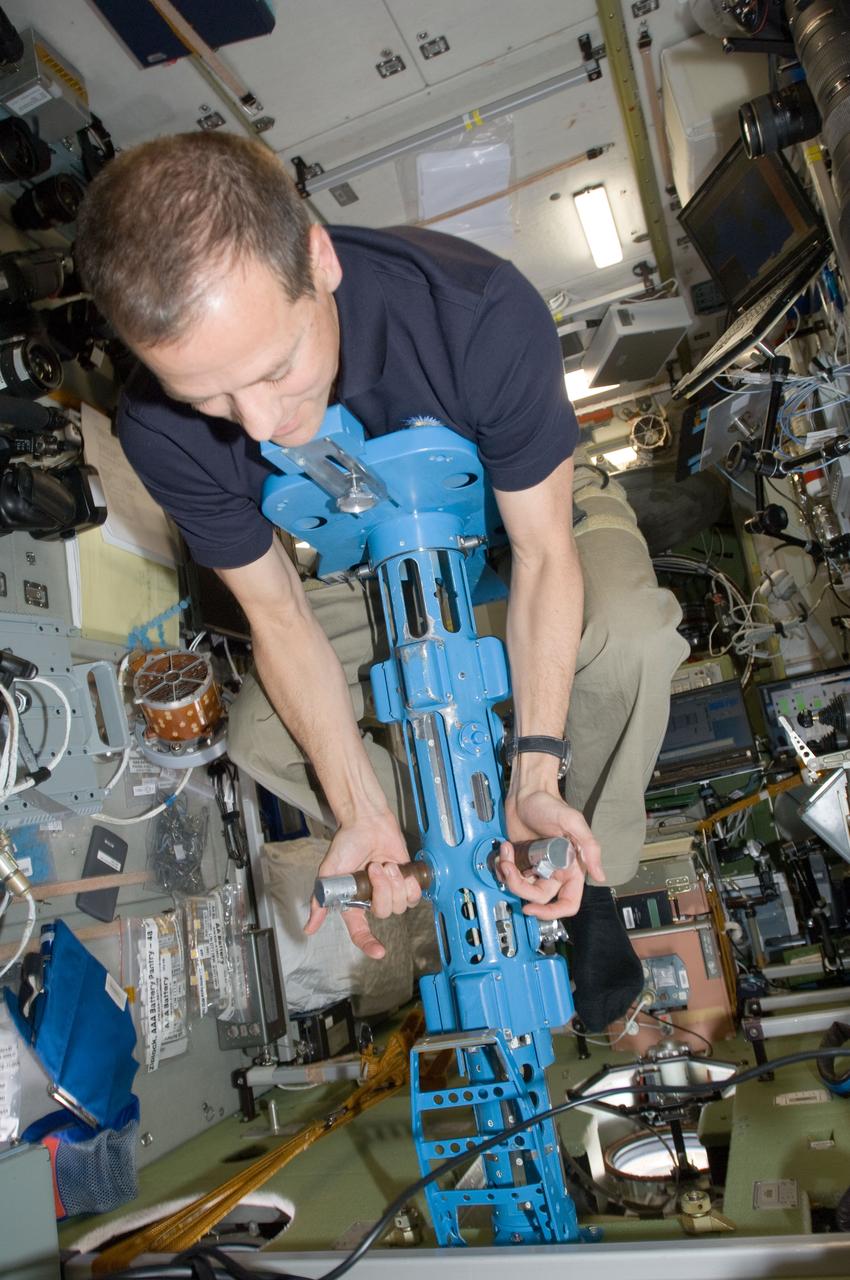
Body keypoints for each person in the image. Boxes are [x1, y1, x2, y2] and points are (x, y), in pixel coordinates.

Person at [75, 132, 689, 1031]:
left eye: (275, 368)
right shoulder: (157, 430)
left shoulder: (474, 311)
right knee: (258, 738)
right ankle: (471, 845)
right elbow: (276, 614)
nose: (259, 427)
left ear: (318, 259)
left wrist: (536, 767)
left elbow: (548, 554)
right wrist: (358, 807)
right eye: (208, 397)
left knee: (627, 636)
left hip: (521, 515)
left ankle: (569, 850)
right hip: (360, 557)